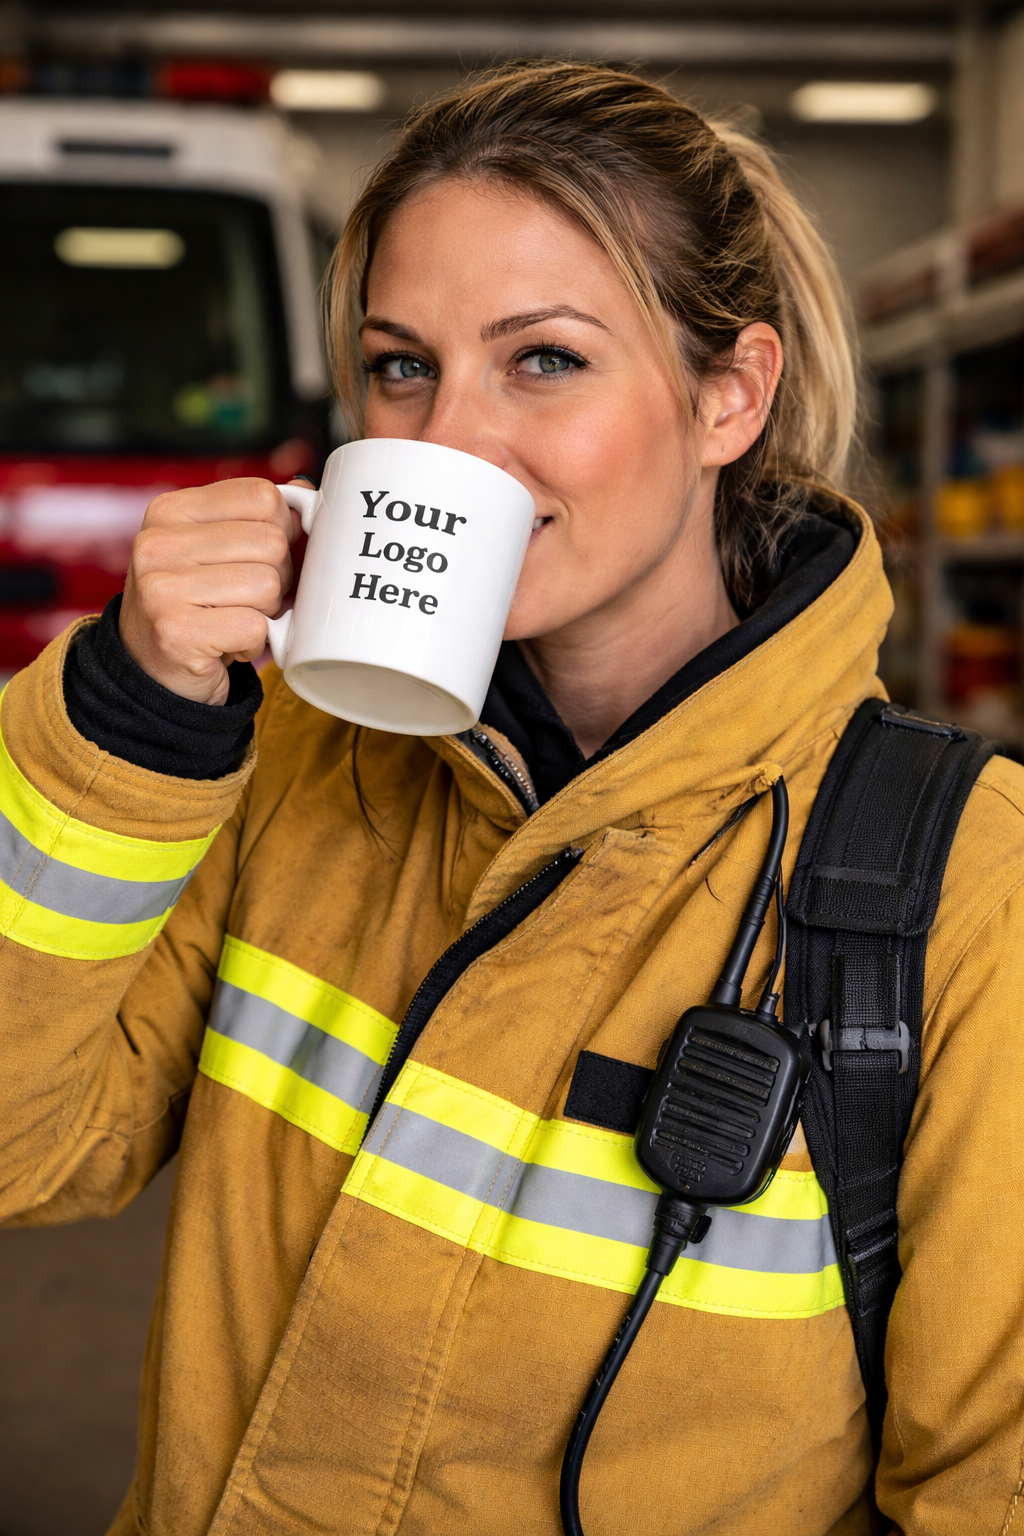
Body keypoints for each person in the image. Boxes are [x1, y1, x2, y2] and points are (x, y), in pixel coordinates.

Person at [2, 60, 1023, 1536]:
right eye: (401, 365)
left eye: (543, 359)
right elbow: (31, 1153)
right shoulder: (291, 751)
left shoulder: (962, 882)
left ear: (728, 395)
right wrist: (130, 718)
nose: (443, 440)